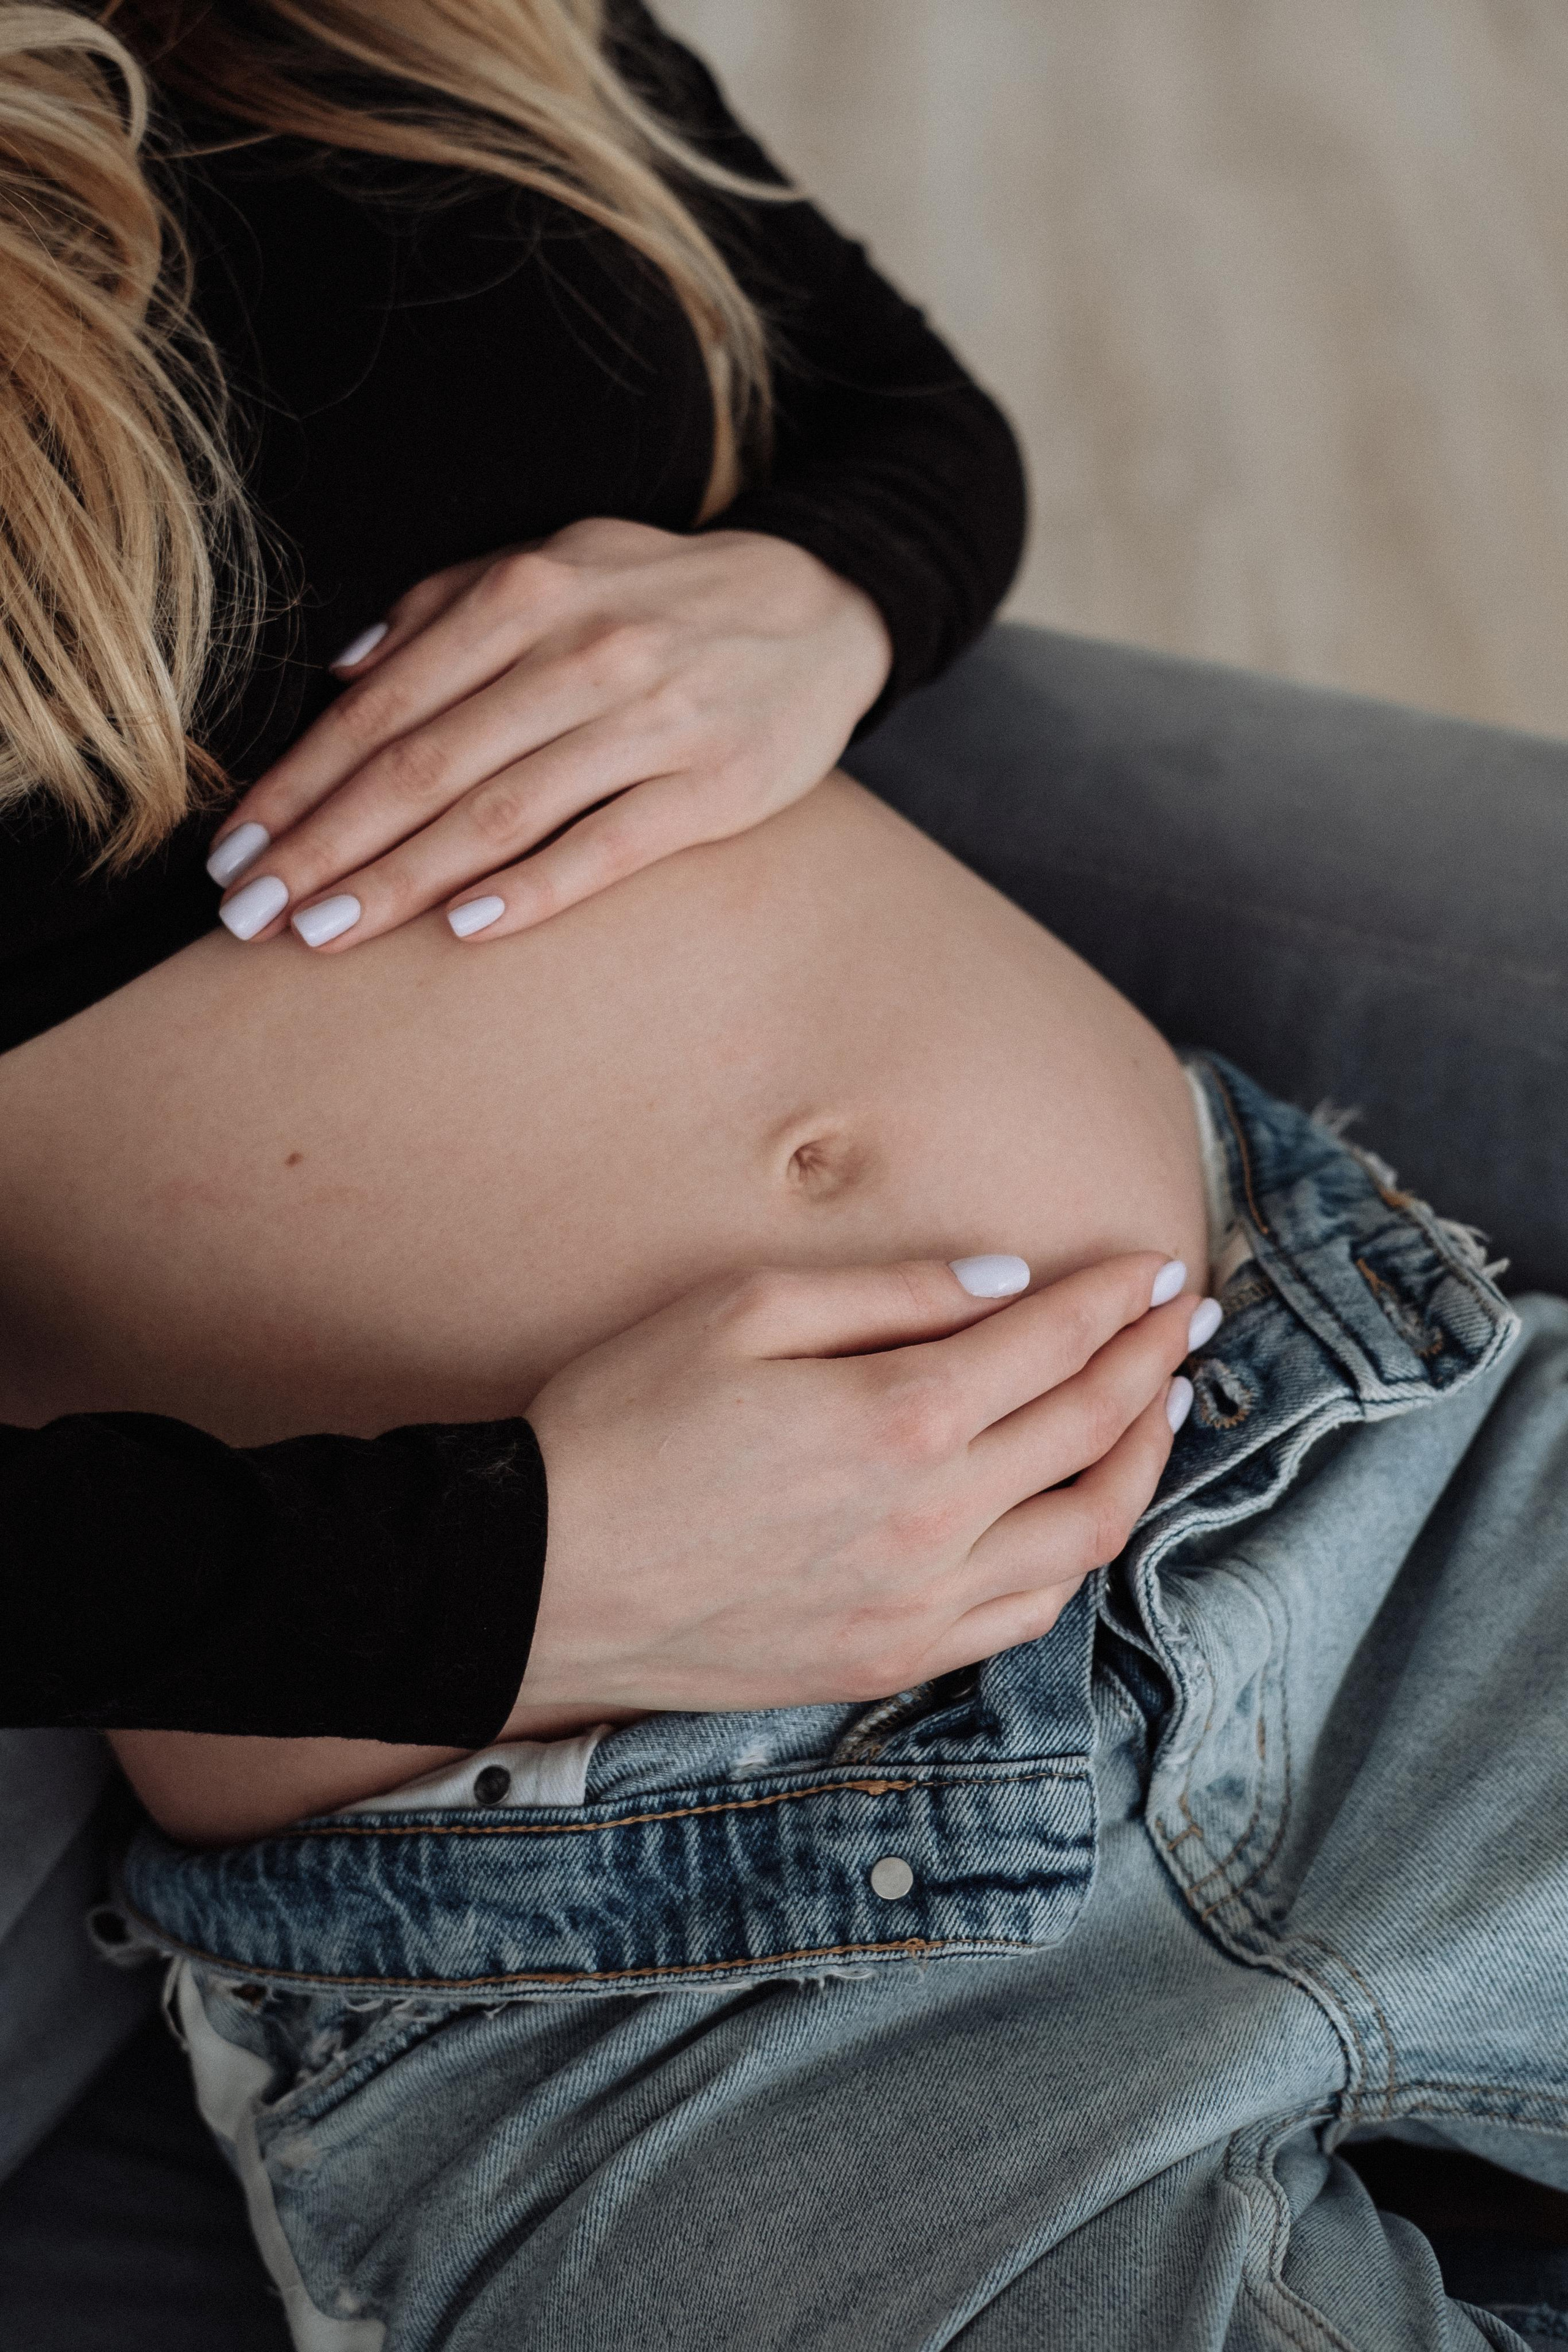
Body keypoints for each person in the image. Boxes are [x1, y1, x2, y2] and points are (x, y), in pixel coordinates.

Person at [4, 7, 1568, 2350]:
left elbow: (878, 401)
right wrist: (513, 1568)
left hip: (1336, 1470)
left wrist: (815, 596)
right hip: (616, 1928)